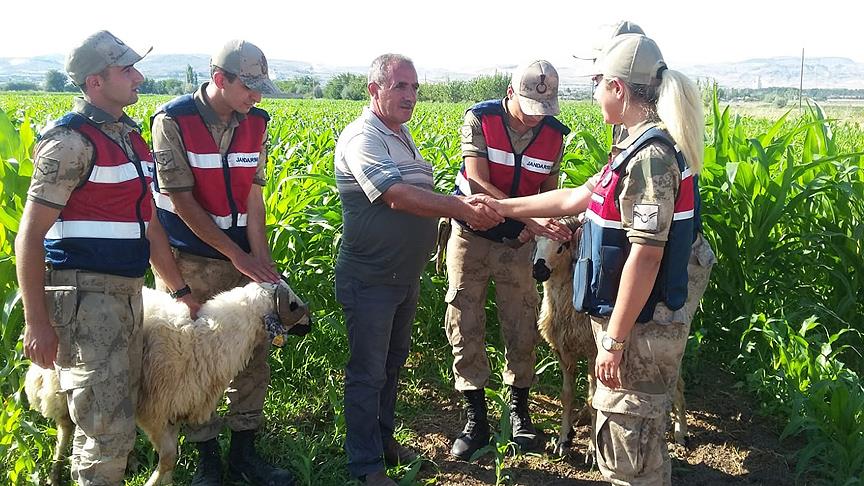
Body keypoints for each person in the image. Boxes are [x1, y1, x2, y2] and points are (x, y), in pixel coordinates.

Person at [485, 34, 716, 485]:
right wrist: (504, 207)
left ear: (618, 89)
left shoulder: (650, 159)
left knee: (631, 451)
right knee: (631, 446)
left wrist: (613, 340)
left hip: (641, 329)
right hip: (634, 322)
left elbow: (646, 258)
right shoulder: (633, 148)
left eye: (597, 82)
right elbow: (574, 197)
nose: (593, 93)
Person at [16, 30, 197, 485]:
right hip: (86, 300)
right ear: (95, 82)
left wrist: (179, 291)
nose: (138, 77)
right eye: (126, 70)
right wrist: (37, 322)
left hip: (126, 297)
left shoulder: (128, 140)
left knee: (110, 418)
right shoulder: (70, 144)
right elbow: (29, 236)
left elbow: (150, 225)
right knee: (107, 430)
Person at [334, 53, 504, 486]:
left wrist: (462, 200)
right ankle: (366, 465)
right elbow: (394, 194)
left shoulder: (401, 134)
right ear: (374, 90)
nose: (410, 96)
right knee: (367, 372)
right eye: (399, 87)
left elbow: (420, 193)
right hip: (370, 278)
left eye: (414, 87)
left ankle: (384, 442)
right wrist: (458, 207)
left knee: (391, 365)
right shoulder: (362, 137)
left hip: (401, 278)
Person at [150, 40, 292, 486]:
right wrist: (237, 257)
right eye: (250, 87)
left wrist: (261, 265)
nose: (258, 97)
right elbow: (181, 200)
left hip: (243, 259)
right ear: (219, 80)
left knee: (254, 353)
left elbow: (253, 194)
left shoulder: (257, 123)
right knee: (194, 361)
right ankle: (206, 458)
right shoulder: (173, 121)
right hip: (189, 259)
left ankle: (245, 454)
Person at [445, 60, 572, 460]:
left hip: (519, 241)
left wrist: (541, 224)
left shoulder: (554, 135)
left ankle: (520, 412)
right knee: (465, 319)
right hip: (473, 234)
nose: (535, 119)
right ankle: (475, 419)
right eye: (529, 107)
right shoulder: (480, 119)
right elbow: (478, 180)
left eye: (544, 109)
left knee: (522, 320)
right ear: (511, 93)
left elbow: (549, 190)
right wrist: (530, 218)